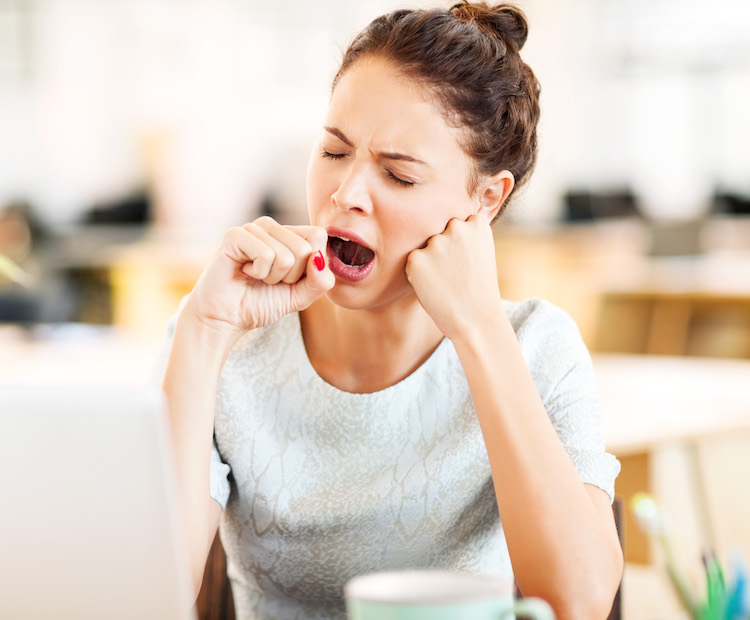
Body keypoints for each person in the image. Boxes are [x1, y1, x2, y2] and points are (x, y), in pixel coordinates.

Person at [161, 3, 623, 619]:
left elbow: (579, 600)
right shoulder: (226, 340)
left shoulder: (536, 346)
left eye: (398, 176)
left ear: (486, 200)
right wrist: (203, 329)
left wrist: (479, 329)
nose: (345, 194)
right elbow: (141, 595)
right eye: (332, 152)